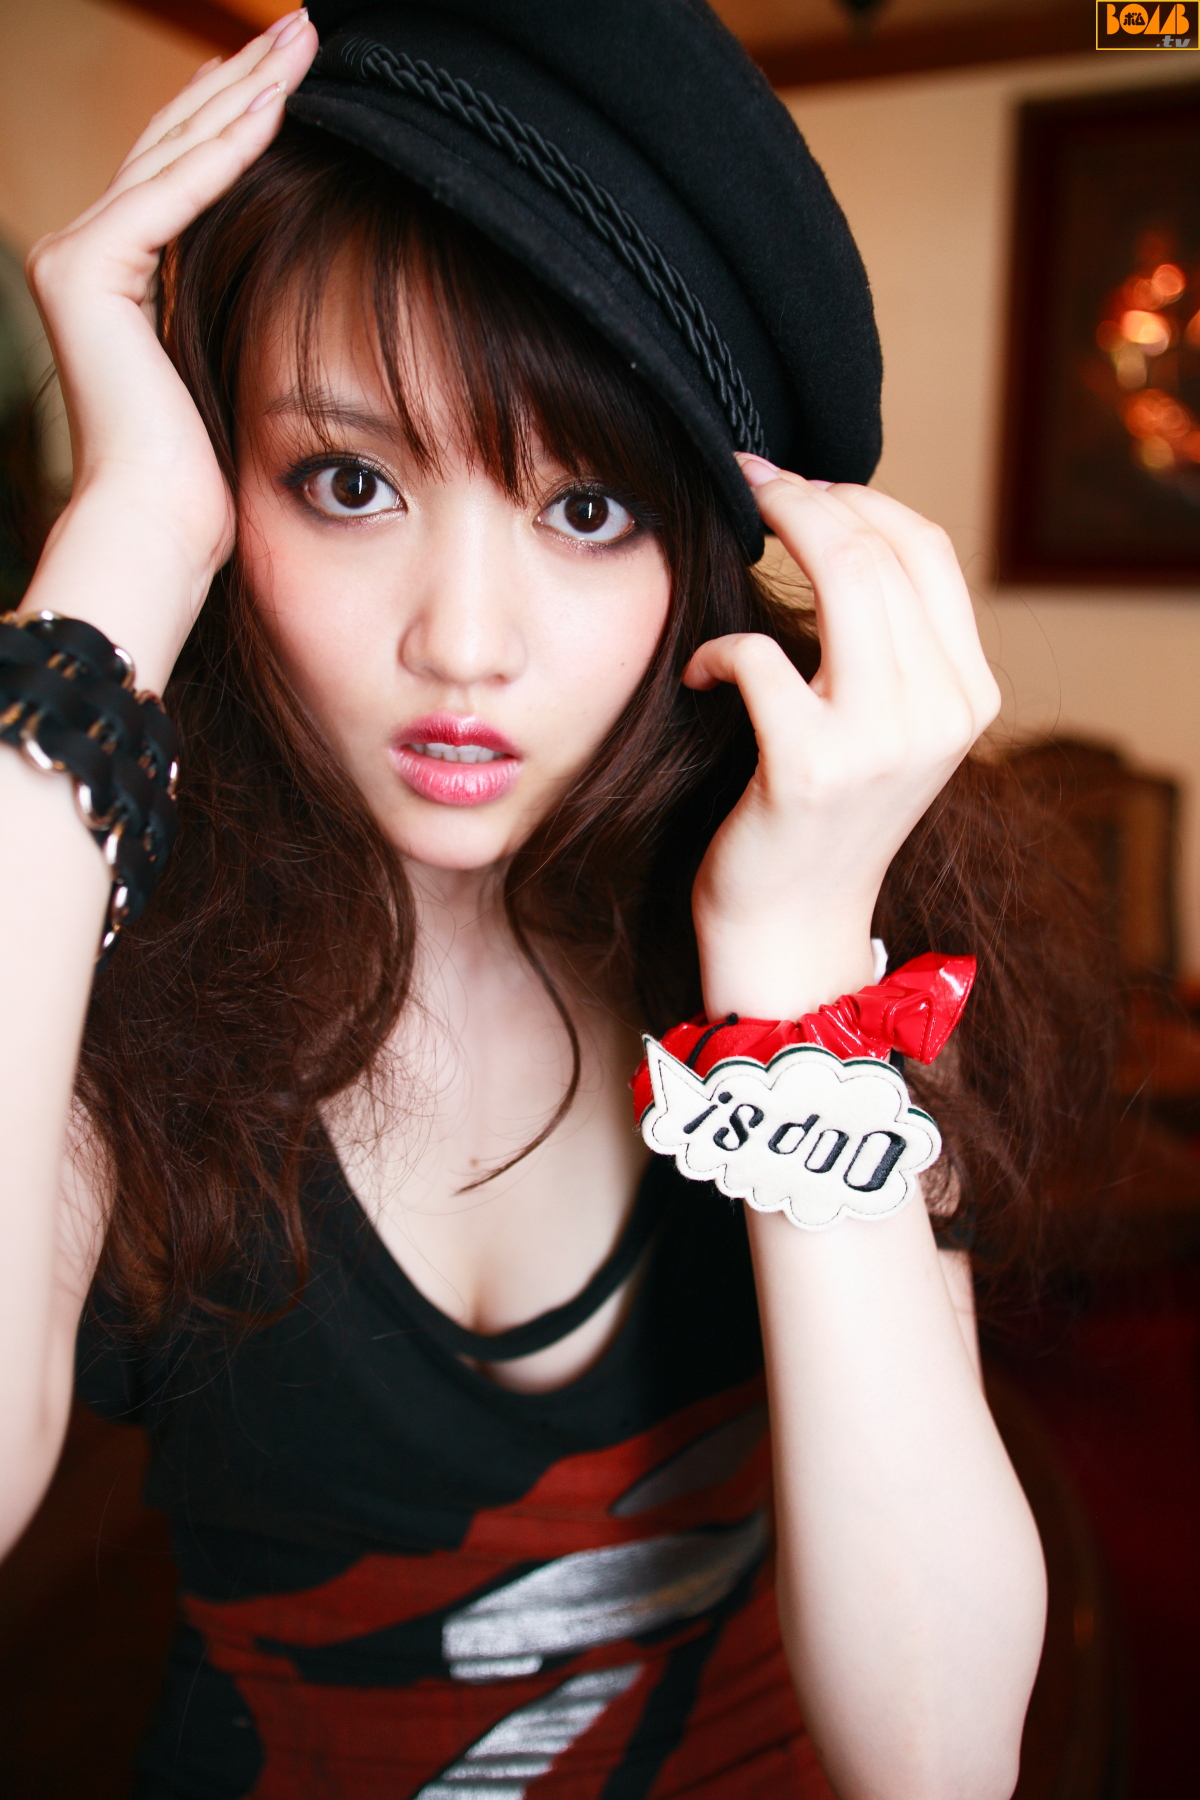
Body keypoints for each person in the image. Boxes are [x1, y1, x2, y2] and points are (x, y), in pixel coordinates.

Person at [0, 5, 1113, 1797]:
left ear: (708, 549)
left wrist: (792, 969)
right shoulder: (105, 957)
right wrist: (119, 556)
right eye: (346, 482)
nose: (464, 644)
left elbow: (935, 1755)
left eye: (586, 509)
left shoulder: (850, 930)